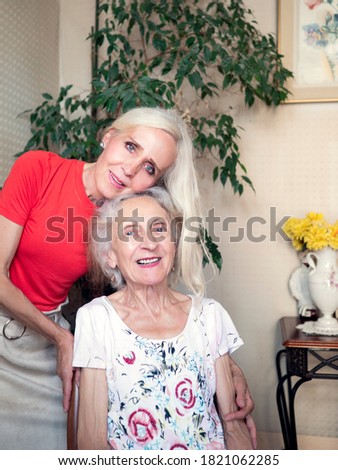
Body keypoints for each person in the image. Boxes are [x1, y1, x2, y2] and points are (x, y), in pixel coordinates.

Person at [0, 106, 254, 450]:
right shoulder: (39, 169)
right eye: (131, 146)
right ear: (109, 136)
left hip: (46, 341)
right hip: (31, 331)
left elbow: (152, 286)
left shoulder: (125, 213)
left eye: (149, 168)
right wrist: (61, 339)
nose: (131, 169)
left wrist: (223, 361)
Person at [73, 187, 254, 450]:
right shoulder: (96, 319)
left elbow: (235, 431)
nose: (149, 243)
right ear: (110, 255)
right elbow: (91, 441)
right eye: (130, 233)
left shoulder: (209, 315)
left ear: (174, 244)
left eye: (158, 229)